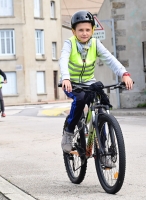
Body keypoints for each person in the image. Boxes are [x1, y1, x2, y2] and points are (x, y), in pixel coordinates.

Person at [59, 10, 134, 167]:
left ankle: (103, 153)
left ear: (93, 30)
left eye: (87, 30)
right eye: (80, 30)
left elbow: (110, 59)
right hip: (71, 83)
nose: (84, 33)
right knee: (79, 100)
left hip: (88, 82)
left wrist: (124, 73)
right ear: (73, 31)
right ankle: (69, 131)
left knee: (101, 110)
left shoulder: (95, 43)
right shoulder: (69, 43)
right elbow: (63, 59)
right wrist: (65, 77)